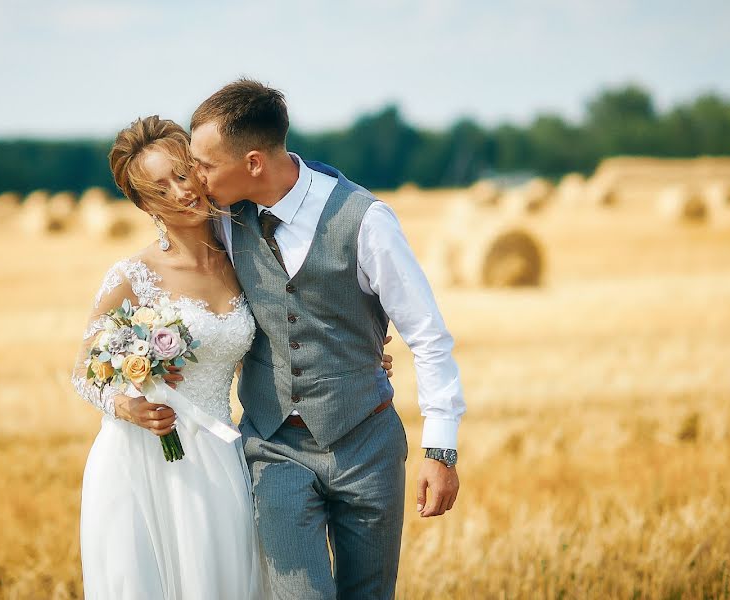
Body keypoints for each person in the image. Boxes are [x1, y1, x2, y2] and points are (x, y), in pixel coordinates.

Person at [69, 115, 395, 599]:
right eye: (160, 190)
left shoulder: (243, 253)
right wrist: (127, 407)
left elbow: (282, 335)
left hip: (222, 454)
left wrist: (350, 359)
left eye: (183, 174)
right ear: (143, 206)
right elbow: (84, 370)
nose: (181, 192)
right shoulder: (134, 275)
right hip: (145, 459)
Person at [189, 79, 466, 600]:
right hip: (274, 447)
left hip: (367, 445)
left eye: (204, 164)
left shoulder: (366, 222)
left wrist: (442, 450)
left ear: (253, 163)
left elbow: (428, 337)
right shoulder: (224, 221)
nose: (196, 178)